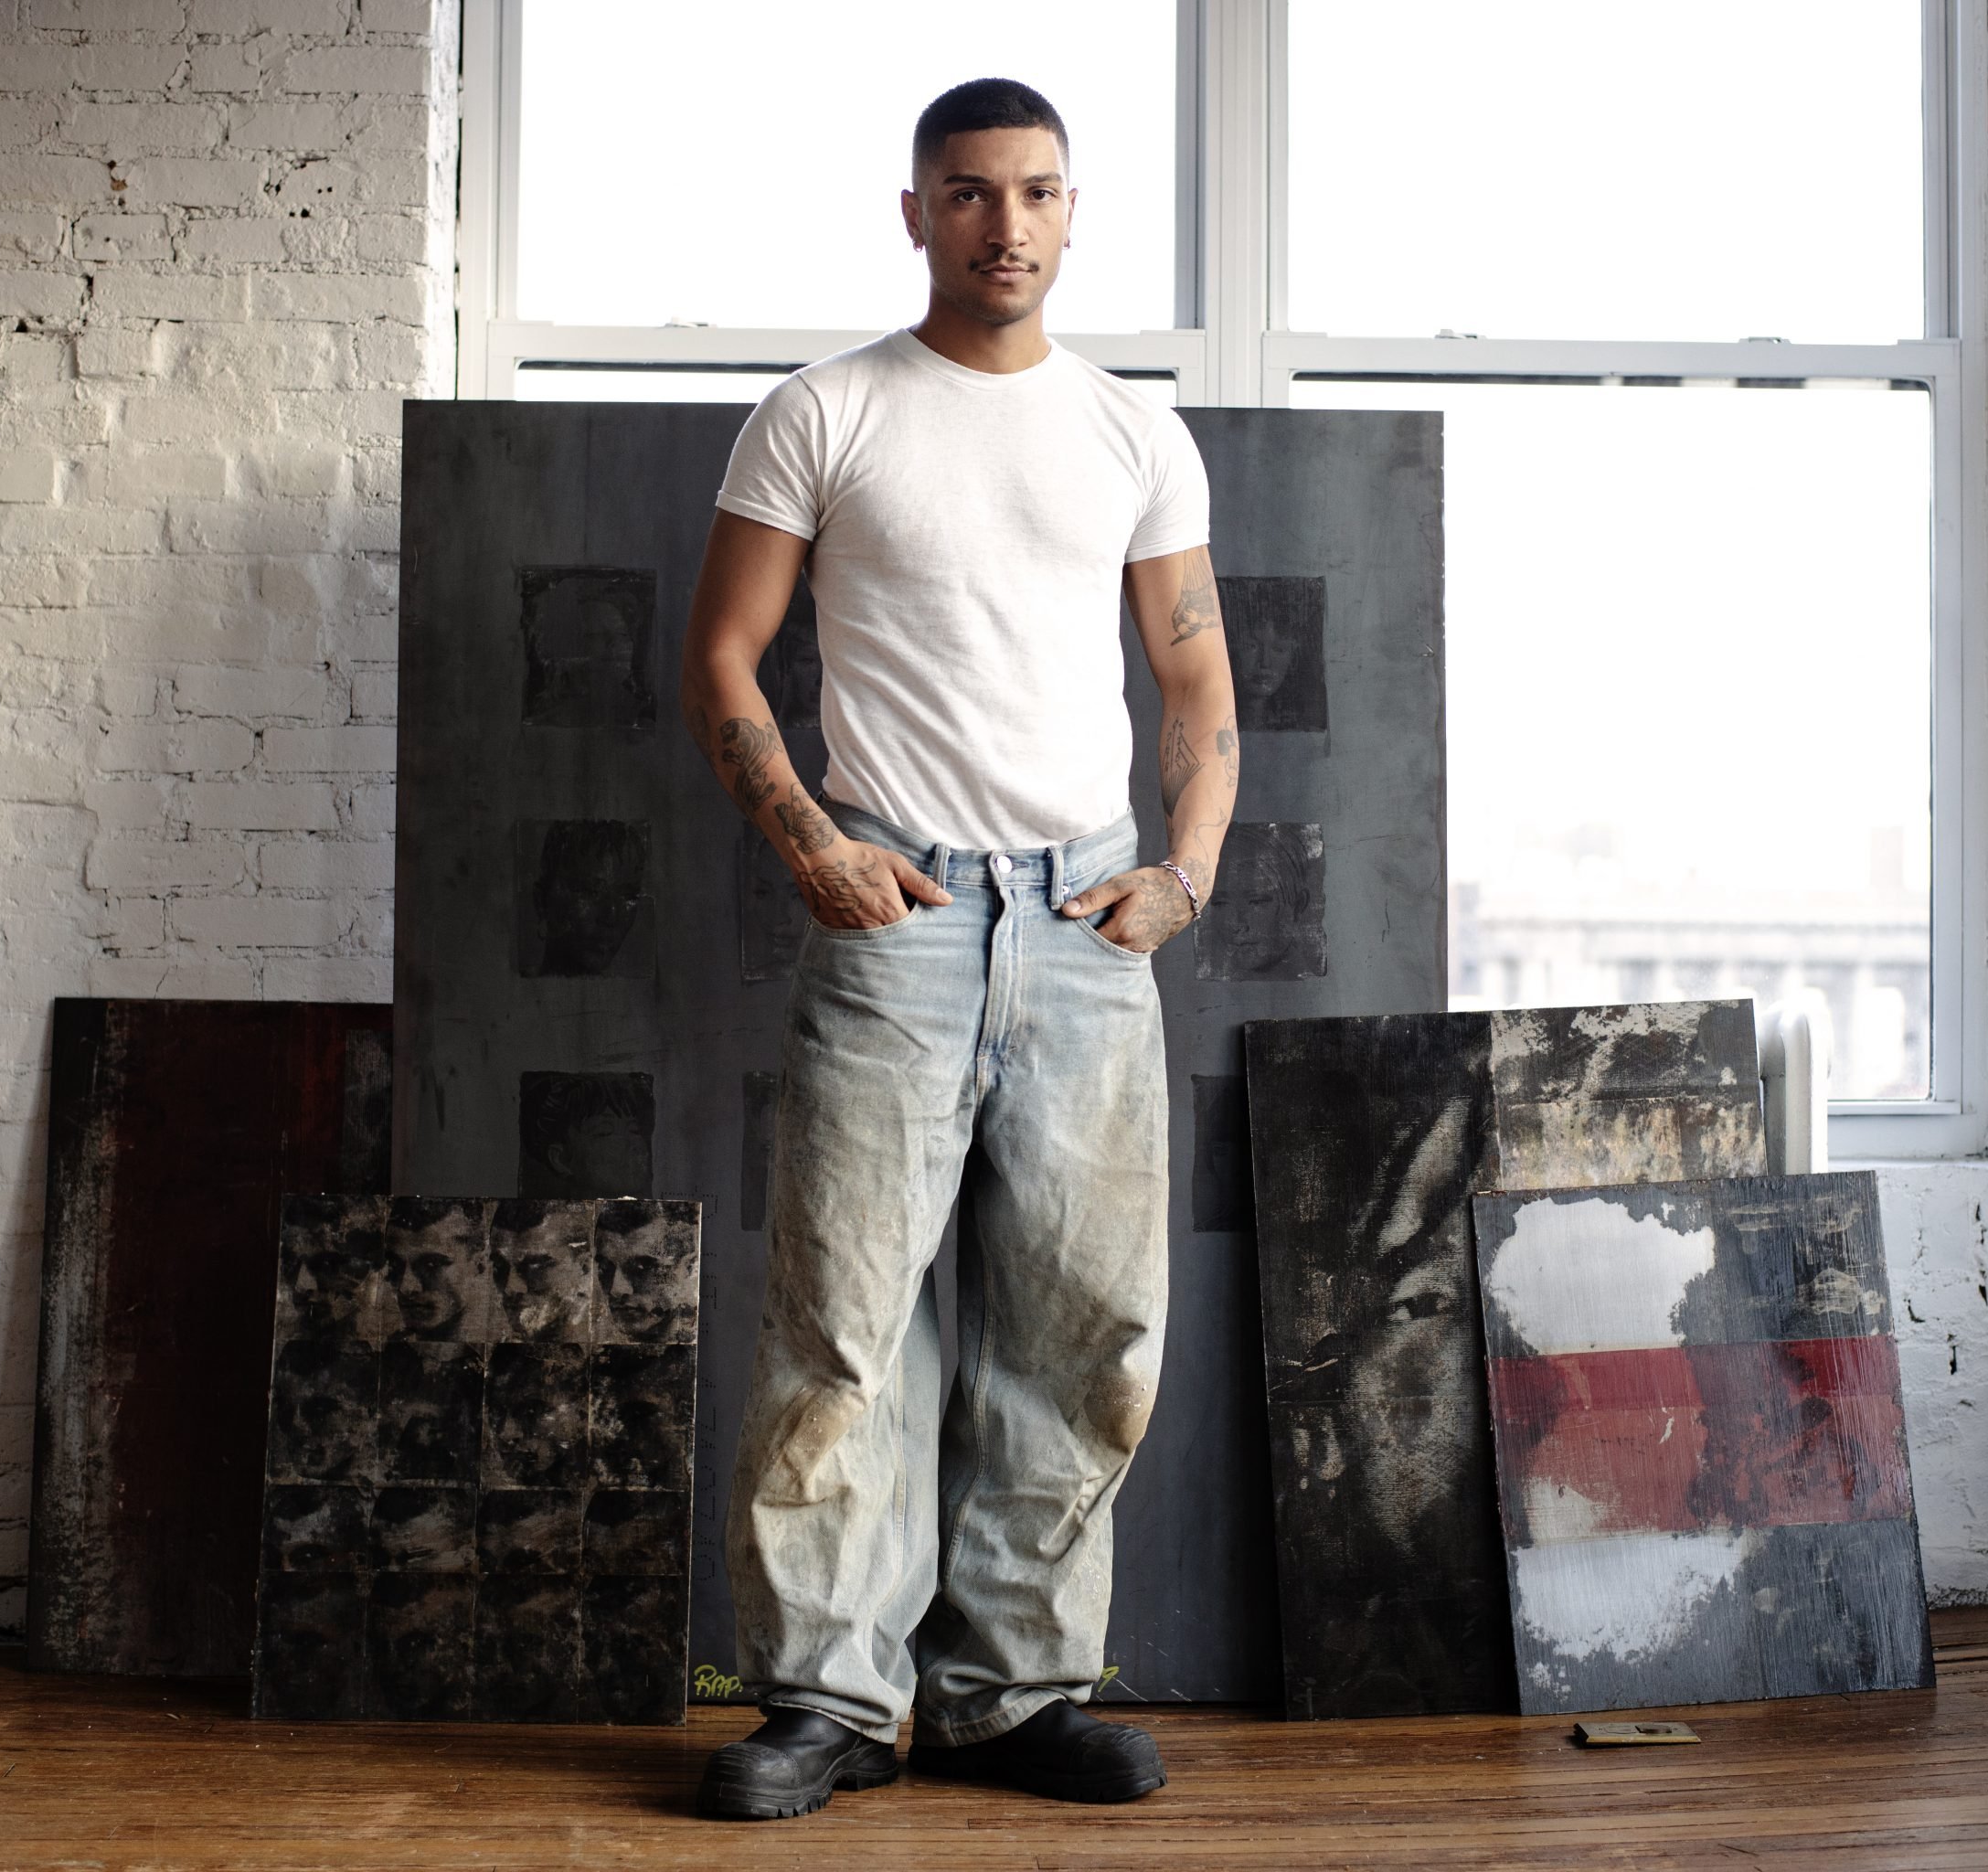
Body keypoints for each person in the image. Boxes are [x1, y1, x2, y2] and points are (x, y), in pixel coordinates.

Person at [677, 77, 1241, 1822]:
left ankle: (1010, 1696)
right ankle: (831, 1706)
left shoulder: (1134, 432)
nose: (1010, 223)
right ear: (917, 211)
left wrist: (1187, 876)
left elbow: (1201, 676)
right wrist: (815, 848)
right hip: (895, 915)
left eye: (1042, 193)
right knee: (848, 1328)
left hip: (1084, 923)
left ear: (1075, 215)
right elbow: (722, 658)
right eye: (974, 192)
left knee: (1083, 1328)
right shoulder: (824, 414)